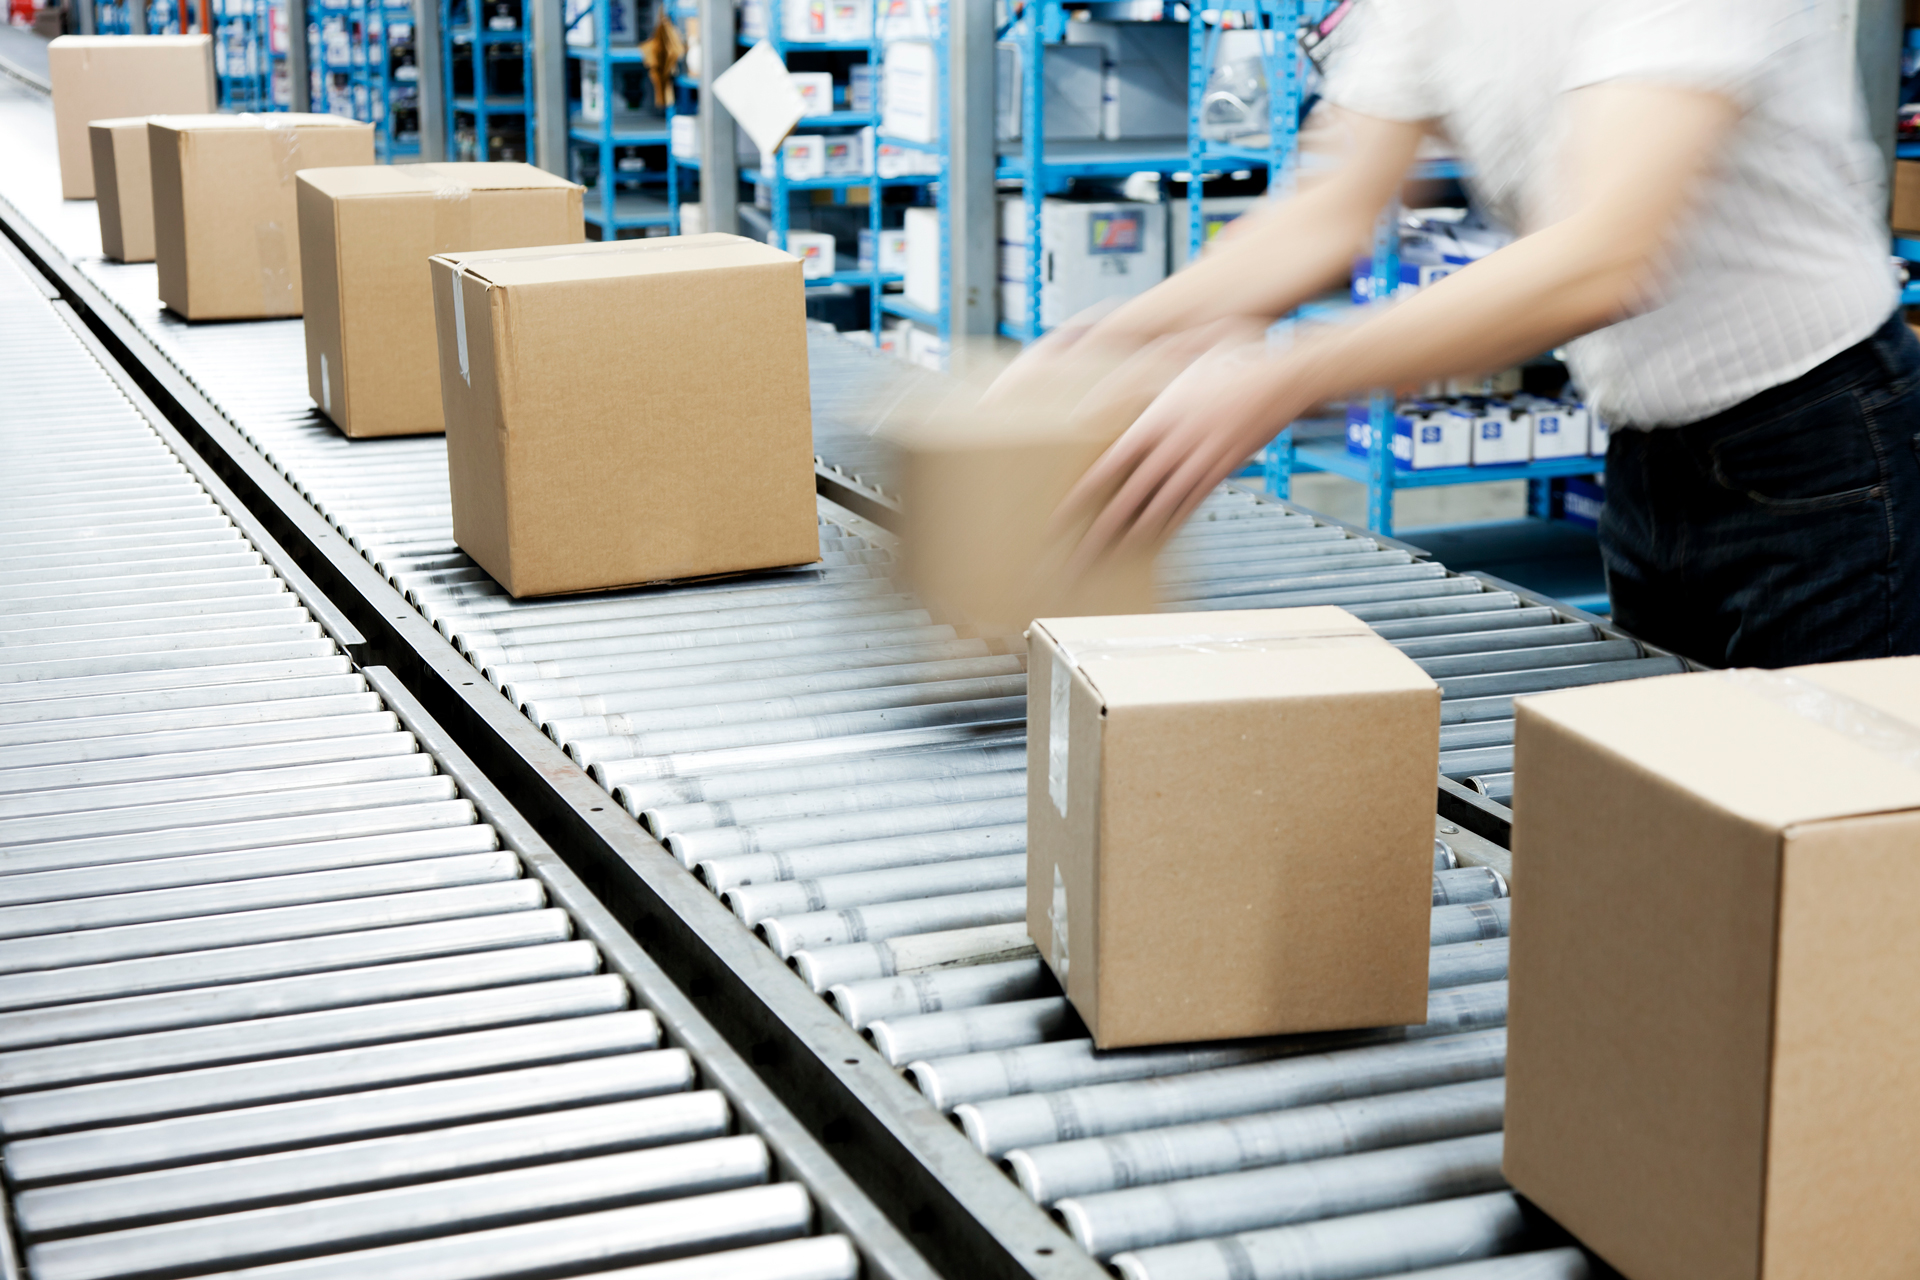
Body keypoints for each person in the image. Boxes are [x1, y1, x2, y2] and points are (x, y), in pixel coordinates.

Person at [1041, 0, 1917, 669]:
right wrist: (1109, 335)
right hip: (1646, 452)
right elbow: (1327, 208)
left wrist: (1282, 376)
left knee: (1820, 850)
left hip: (1825, 449)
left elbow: (1606, 253)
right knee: (1683, 832)